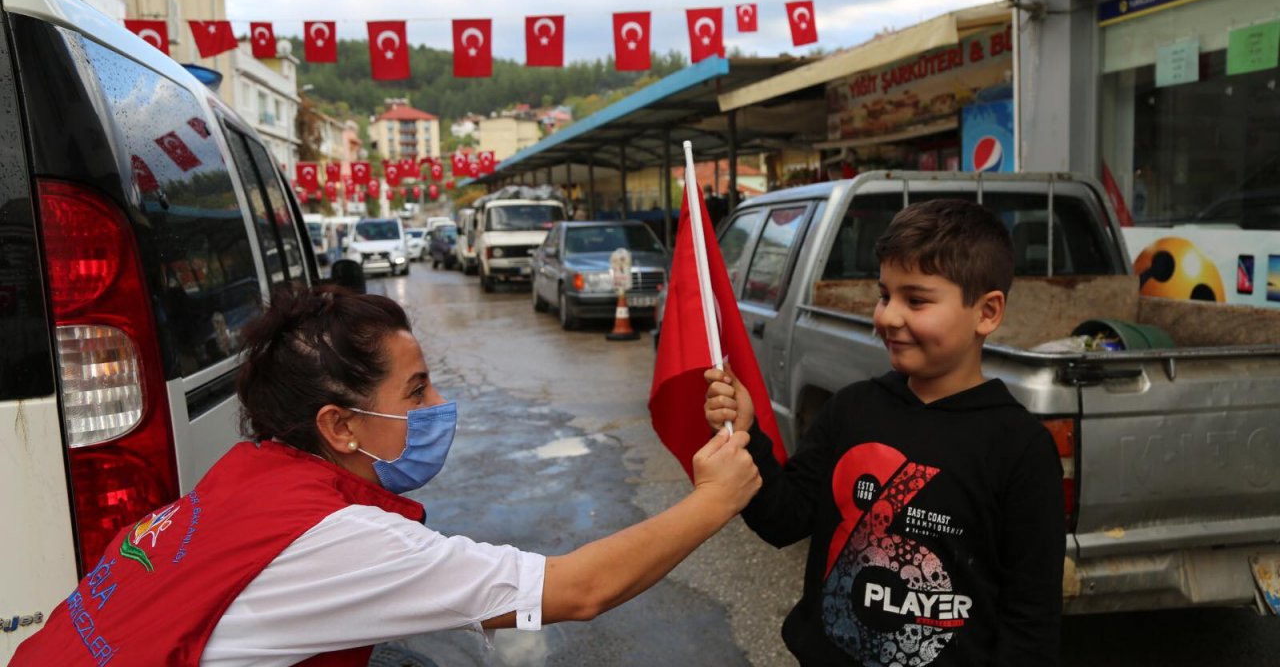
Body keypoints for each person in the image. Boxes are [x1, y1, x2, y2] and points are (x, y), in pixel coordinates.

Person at [15, 284, 760, 667]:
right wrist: (711, 500)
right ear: (338, 425)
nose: (440, 406)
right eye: (417, 392)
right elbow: (576, 591)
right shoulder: (339, 539)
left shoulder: (252, 471)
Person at [704, 199, 1064, 666]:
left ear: (987, 312)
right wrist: (747, 433)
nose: (889, 317)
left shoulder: (1020, 449)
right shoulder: (851, 410)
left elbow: (1030, 623)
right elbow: (782, 518)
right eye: (884, 295)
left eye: (916, 300)